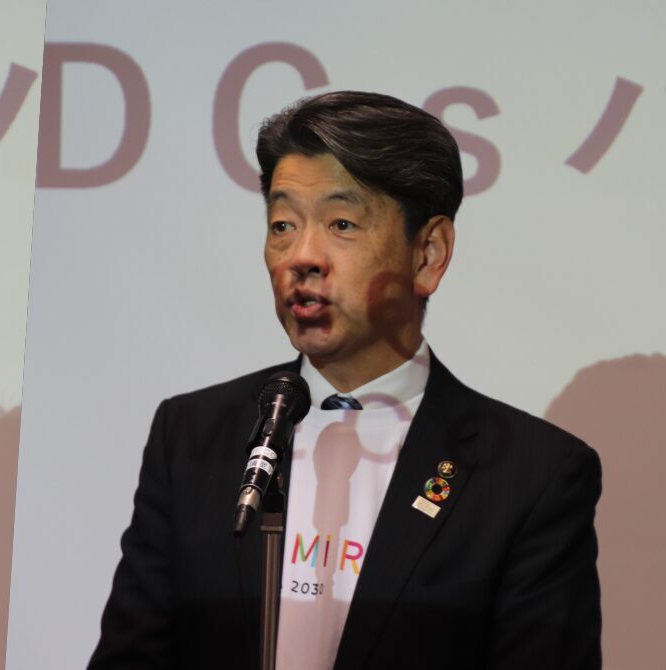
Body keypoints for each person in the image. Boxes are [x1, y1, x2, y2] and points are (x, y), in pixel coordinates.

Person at [89, 91, 601, 669]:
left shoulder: (531, 475)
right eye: (283, 224)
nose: (302, 256)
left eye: (341, 224)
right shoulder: (192, 436)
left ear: (428, 254)